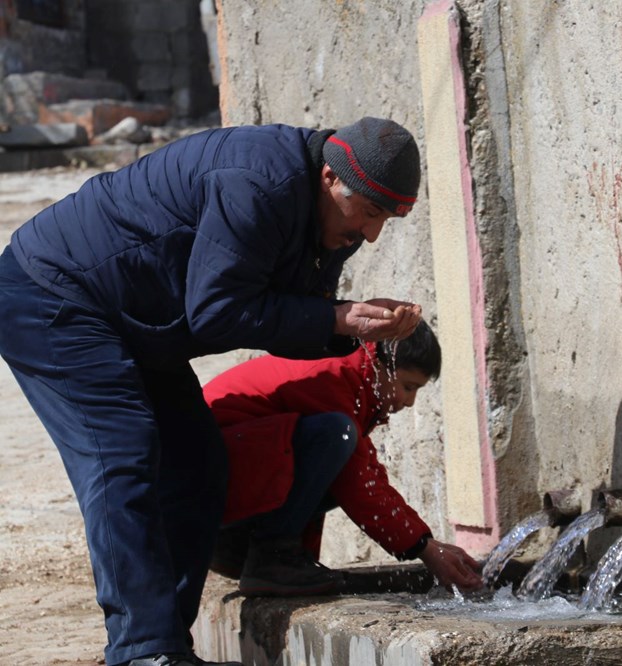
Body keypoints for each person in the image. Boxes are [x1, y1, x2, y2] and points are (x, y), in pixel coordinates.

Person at [0, 117, 425, 666]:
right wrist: (338, 318)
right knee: (122, 453)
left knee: (198, 465)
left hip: (138, 320)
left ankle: (164, 644)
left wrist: (348, 322)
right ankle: (142, 651)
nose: (371, 234)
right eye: (369, 214)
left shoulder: (328, 221)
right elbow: (218, 312)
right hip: (53, 296)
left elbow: (288, 320)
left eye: (385, 219)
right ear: (328, 177)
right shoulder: (259, 182)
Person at [203, 320, 483, 596]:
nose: (409, 402)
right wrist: (424, 549)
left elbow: (366, 473)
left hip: (224, 476)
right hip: (207, 479)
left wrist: (427, 541)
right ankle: (271, 557)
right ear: (383, 365)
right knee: (339, 437)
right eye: (408, 387)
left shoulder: (353, 375)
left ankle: (244, 549)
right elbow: (357, 481)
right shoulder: (332, 374)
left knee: (342, 448)